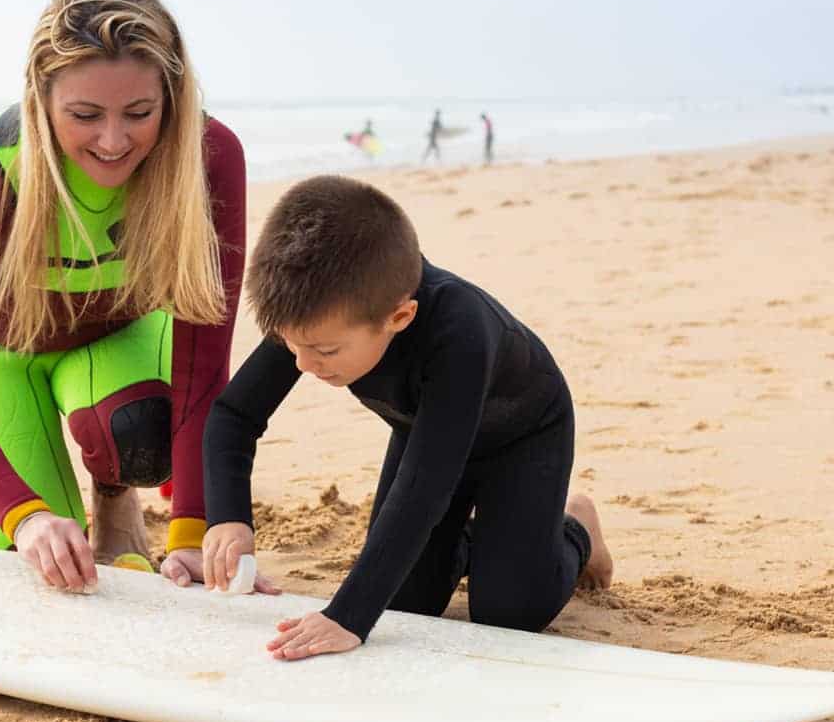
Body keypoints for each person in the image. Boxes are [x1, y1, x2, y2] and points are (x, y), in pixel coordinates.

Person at [0, 0, 267, 594]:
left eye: (139, 113)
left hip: (121, 345)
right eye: (83, 115)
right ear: (40, 101)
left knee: (138, 425)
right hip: (7, 362)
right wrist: (27, 520)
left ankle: (116, 501)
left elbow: (203, 367)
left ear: (173, 98)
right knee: (27, 573)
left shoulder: (207, 156)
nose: (112, 141)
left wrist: (189, 531)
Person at [200, 175, 613, 660]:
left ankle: (574, 526)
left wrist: (347, 616)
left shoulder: (460, 330)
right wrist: (228, 517)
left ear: (399, 318)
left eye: (323, 350)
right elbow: (234, 416)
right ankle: (486, 541)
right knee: (407, 601)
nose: (302, 364)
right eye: (290, 344)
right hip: (425, 432)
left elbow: (423, 489)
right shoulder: (312, 312)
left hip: (521, 437)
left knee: (509, 612)